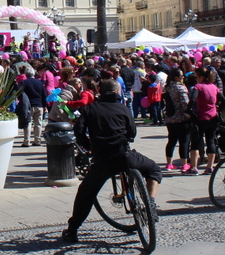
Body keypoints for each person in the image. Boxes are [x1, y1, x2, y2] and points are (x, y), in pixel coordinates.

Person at [61, 79, 162, 243]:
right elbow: (132, 132)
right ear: (117, 92)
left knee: (86, 193)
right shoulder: (123, 108)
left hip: (102, 159)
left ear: (100, 92)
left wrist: (89, 146)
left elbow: (78, 131)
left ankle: (73, 230)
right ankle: (150, 203)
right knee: (154, 169)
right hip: (124, 155)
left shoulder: (89, 109)